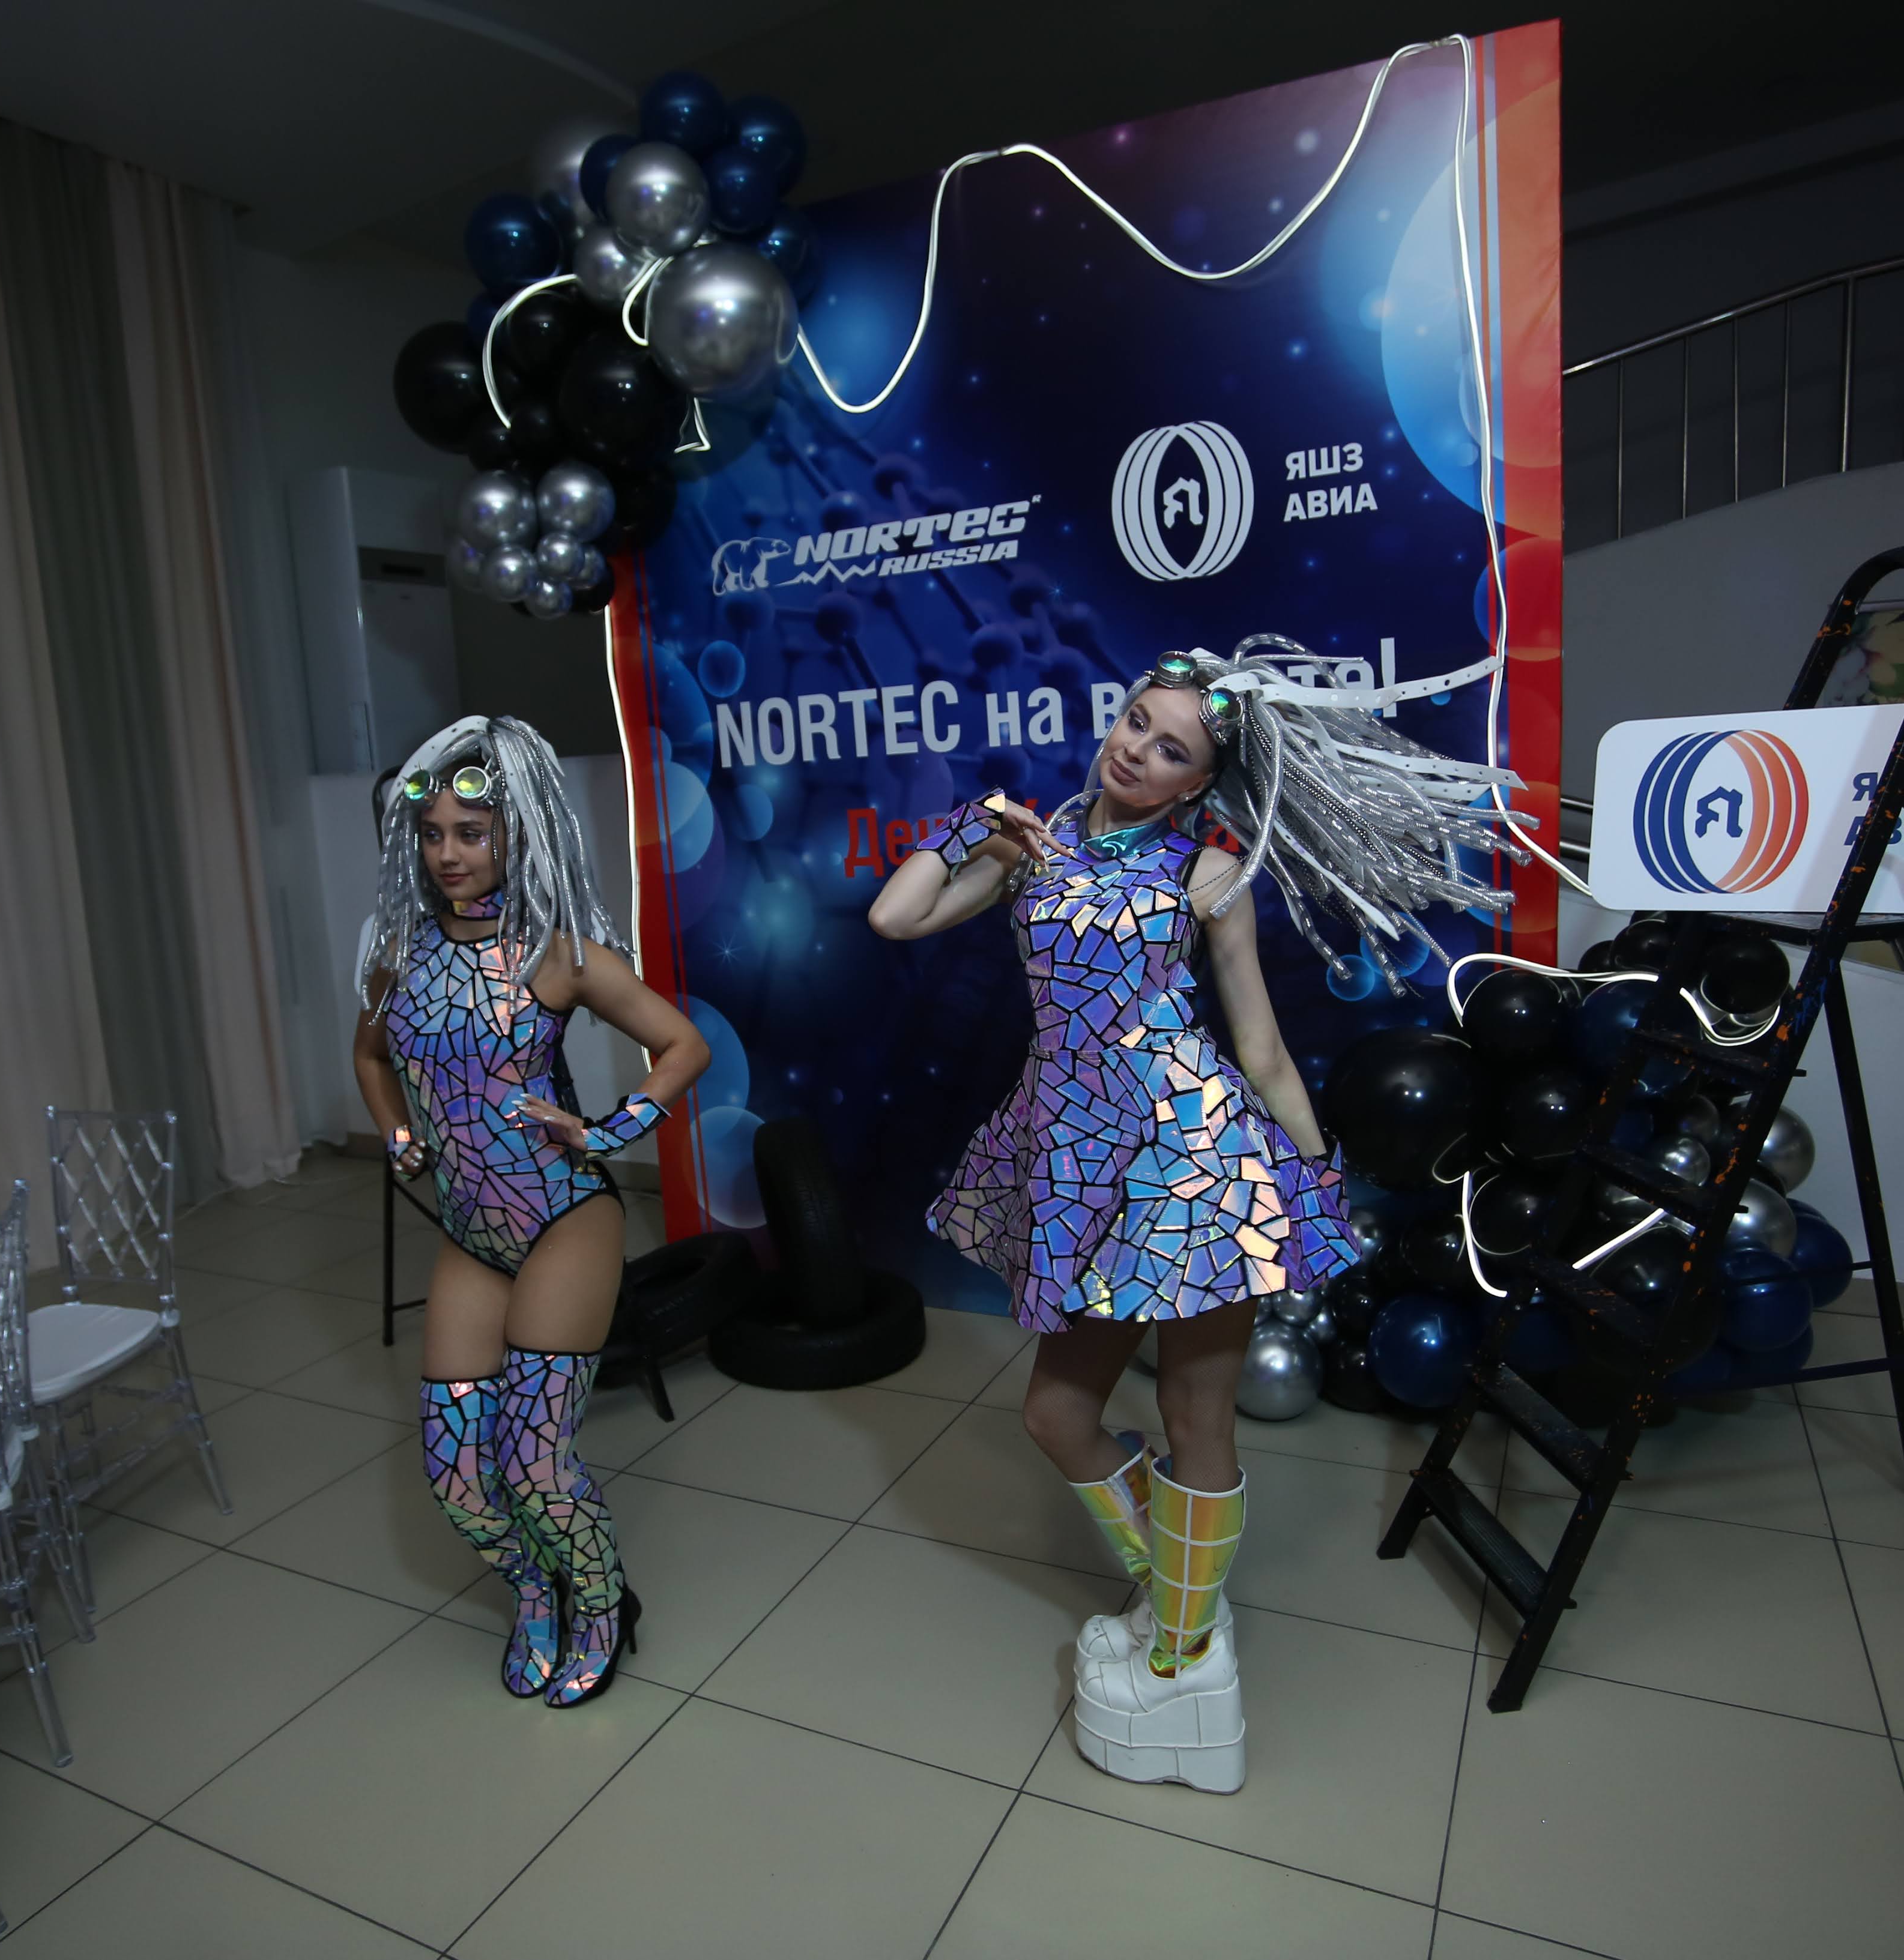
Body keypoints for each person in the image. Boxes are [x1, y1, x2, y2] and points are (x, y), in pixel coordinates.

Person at [868, 640, 1518, 1793]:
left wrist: (1309, 1178)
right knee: (1056, 1413)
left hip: (1191, 1157)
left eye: (1171, 749)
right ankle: (1179, 1593)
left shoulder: (1210, 874)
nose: (1137, 750)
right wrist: (973, 822)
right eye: (1135, 721)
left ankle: (1178, 1647)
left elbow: (1258, 1045)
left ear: (1200, 782)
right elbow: (895, 916)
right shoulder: (1034, 846)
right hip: (1076, 1153)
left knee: (1193, 1410)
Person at [352, 715, 709, 1707]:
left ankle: (602, 1602)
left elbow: (684, 1045)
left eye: (472, 832)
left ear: (518, 834)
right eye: (433, 834)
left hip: (563, 1217)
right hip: (471, 1232)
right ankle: (534, 1589)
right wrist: (396, 1132)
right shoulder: (398, 953)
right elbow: (371, 1055)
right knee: (455, 1474)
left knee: (534, 1459)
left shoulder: (556, 955)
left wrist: (609, 1129)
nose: (449, 854)